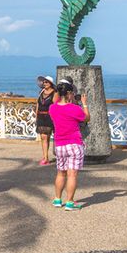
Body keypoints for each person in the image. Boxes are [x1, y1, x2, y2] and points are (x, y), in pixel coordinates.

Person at [48, 79, 89, 211]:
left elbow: (57, 105)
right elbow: (86, 118)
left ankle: (57, 199)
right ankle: (70, 202)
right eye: (72, 93)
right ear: (69, 93)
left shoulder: (52, 108)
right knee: (72, 175)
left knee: (61, 173)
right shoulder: (75, 108)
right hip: (74, 144)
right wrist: (84, 104)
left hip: (59, 145)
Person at [35, 76, 57, 166]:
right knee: (43, 137)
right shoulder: (41, 92)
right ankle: (45, 157)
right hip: (41, 116)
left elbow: (56, 106)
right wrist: (36, 116)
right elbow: (38, 104)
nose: (44, 83)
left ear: (50, 83)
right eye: (44, 82)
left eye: (46, 82)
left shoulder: (55, 93)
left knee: (50, 137)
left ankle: (58, 156)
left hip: (49, 117)